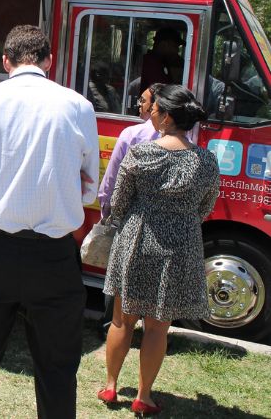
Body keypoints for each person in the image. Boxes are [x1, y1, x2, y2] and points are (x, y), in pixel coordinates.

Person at [0, 25, 99, 419]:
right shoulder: (77, 105)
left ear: (6, 61)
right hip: (52, 254)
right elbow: (89, 187)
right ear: (49, 61)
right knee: (56, 366)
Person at [98, 84, 220, 416]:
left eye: (153, 111)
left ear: (165, 116)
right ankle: (144, 396)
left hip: (135, 241)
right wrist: (181, 221)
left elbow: (119, 204)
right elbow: (206, 207)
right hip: (180, 246)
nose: (149, 114)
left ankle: (110, 387)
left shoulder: (140, 154)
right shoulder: (206, 160)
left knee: (122, 320)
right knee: (157, 326)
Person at [96, 83, 162, 339]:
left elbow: (111, 181)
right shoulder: (186, 141)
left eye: (144, 101)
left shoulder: (132, 134)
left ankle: (110, 326)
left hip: (130, 217)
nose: (140, 105)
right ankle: (151, 328)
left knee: (119, 275)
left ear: (157, 106)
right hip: (161, 221)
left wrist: (107, 211)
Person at [140, 28, 185, 93]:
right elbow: (163, 92)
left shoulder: (162, 62)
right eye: (175, 46)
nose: (177, 50)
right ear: (163, 44)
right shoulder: (151, 63)